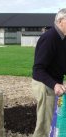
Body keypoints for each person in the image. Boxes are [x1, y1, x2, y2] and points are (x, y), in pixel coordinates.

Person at [32, 8, 66, 137]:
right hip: (44, 84)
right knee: (45, 125)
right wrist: (54, 84)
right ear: (60, 21)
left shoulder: (63, 38)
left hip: (55, 83)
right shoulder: (50, 38)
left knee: (55, 121)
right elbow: (38, 69)